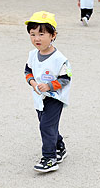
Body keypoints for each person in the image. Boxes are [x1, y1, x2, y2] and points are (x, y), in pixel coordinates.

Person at [24, 11, 72, 173]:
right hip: (39, 98)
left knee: (46, 126)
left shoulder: (59, 58)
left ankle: (50, 158)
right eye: (33, 34)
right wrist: (33, 82)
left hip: (54, 98)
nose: (36, 38)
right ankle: (60, 147)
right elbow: (27, 71)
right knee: (48, 125)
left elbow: (66, 78)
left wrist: (50, 86)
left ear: (53, 35)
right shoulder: (32, 55)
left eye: (41, 34)